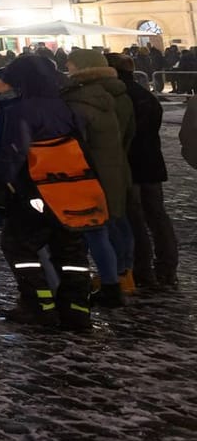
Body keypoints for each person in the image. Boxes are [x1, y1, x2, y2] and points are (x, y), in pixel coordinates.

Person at [0, 56, 93, 330]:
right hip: (71, 188)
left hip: (35, 189)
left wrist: (1, 186)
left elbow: (13, 152)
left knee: (18, 247)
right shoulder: (65, 106)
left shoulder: (22, 109)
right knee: (71, 252)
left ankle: (40, 305)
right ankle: (77, 309)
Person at [60, 47, 133, 304]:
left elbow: (76, 144)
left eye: (70, 66)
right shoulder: (110, 97)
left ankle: (105, 283)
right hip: (113, 170)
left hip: (89, 175)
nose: (66, 69)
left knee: (94, 233)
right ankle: (118, 279)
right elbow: (126, 135)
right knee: (109, 228)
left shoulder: (79, 102)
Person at [113, 53, 176, 290]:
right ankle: (167, 268)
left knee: (135, 218)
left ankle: (143, 269)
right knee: (158, 217)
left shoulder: (121, 97)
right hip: (152, 162)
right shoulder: (146, 96)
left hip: (132, 165)